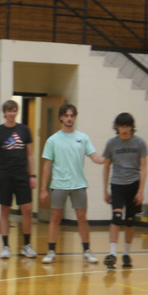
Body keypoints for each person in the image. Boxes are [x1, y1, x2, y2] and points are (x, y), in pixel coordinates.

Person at [40, 103, 105, 264]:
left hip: (79, 185)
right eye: (66, 116)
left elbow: (95, 157)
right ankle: (51, 251)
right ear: (61, 117)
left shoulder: (83, 138)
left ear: (74, 117)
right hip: (59, 185)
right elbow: (47, 165)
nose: (69, 118)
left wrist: (108, 158)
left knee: (82, 218)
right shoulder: (53, 140)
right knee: (56, 217)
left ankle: (87, 251)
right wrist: (43, 189)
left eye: (72, 115)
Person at [0, 100, 38, 259]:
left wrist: (33, 175)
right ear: (4, 113)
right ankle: (6, 246)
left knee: (27, 209)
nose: (12, 114)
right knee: (5, 211)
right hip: (5, 176)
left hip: (22, 175)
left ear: (17, 112)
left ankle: (27, 245)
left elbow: (30, 154)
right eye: (9, 111)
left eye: (14, 111)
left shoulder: (24, 130)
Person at [102, 113, 148, 268]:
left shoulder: (139, 143)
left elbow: (144, 167)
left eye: (127, 126)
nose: (124, 129)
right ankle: (112, 254)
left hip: (134, 184)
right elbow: (106, 167)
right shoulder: (111, 144)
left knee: (129, 221)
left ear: (132, 127)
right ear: (117, 127)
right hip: (117, 184)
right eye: (122, 126)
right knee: (116, 217)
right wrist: (104, 189)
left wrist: (141, 190)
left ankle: (126, 254)